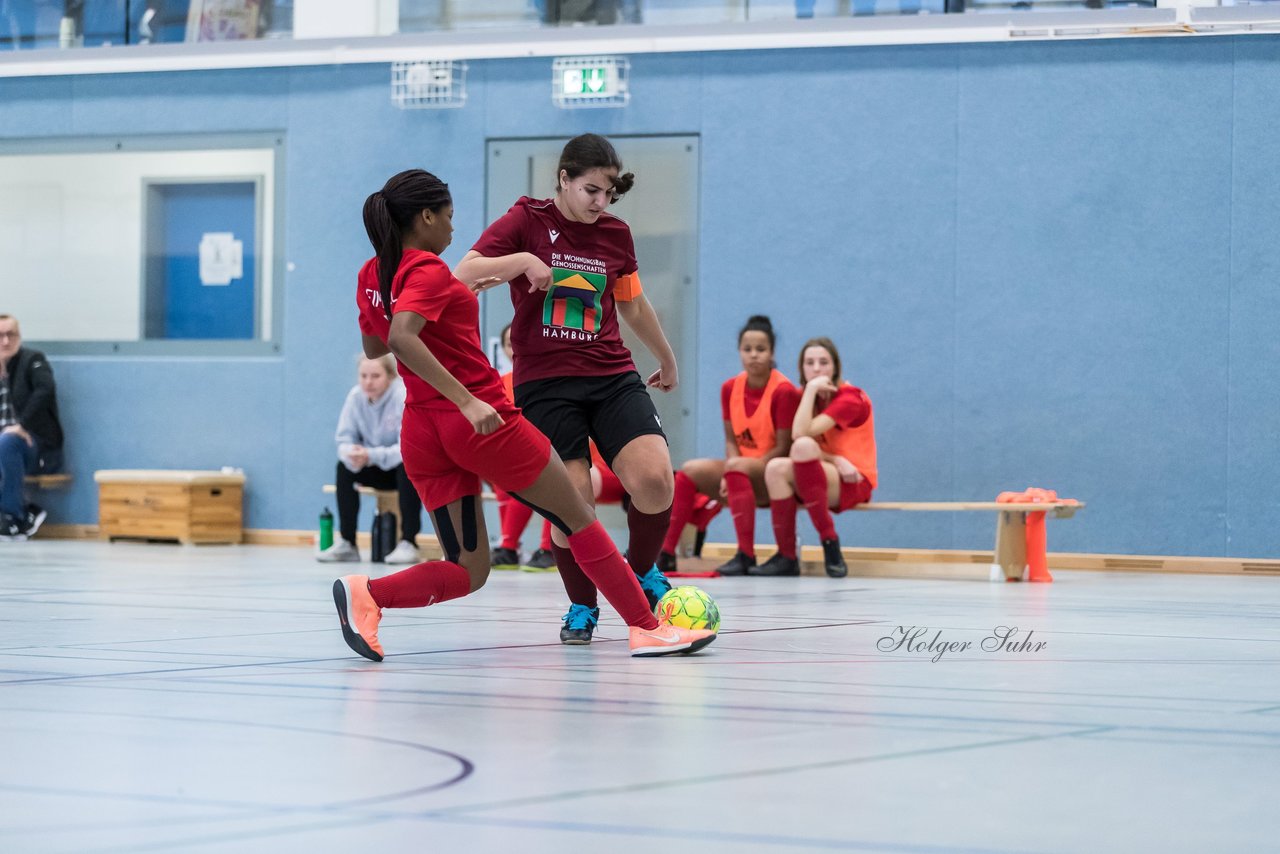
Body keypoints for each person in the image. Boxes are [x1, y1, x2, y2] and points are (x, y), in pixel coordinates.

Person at [332, 168, 715, 662]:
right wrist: (468, 400)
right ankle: (647, 627)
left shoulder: (373, 273)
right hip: (478, 421)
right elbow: (403, 337)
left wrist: (450, 304)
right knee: (579, 517)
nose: (453, 229)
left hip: (422, 431)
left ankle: (368, 595)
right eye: (448, 217)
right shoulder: (426, 270)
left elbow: (375, 341)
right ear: (425, 217)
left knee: (469, 570)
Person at [457, 133, 680, 646]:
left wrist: (666, 358)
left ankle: (641, 572)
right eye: (591, 190)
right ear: (564, 179)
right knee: (573, 498)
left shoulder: (616, 235)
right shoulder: (527, 220)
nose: (600, 203)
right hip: (547, 384)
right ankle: (582, 604)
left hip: (611, 374)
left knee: (654, 478)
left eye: (608, 193)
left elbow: (633, 305)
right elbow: (464, 272)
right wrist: (518, 262)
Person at [655, 315, 799, 577]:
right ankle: (665, 552)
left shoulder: (785, 391)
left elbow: (783, 447)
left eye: (761, 349)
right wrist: (732, 469)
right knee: (689, 470)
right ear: (739, 351)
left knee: (737, 467)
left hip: (772, 473)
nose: (754, 355)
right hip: (740, 469)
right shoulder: (730, 387)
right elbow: (731, 440)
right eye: (747, 349)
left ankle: (746, 554)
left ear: (772, 352)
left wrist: (737, 468)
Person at [758, 337, 876, 578]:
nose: (817, 368)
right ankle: (786, 556)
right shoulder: (805, 397)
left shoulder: (850, 397)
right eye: (809, 363)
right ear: (801, 368)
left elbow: (800, 434)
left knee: (802, 446)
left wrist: (810, 389)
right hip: (818, 473)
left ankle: (829, 541)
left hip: (855, 479)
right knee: (775, 468)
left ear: (835, 367)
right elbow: (797, 441)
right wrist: (835, 459)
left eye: (824, 362)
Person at [317, 353, 423, 565]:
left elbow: (407, 449)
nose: (368, 382)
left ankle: (409, 542)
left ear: (390, 376)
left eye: (375, 376)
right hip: (372, 465)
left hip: (397, 467)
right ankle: (348, 542)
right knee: (344, 468)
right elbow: (343, 439)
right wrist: (352, 454)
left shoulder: (401, 396)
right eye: (363, 375)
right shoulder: (355, 397)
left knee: (408, 466)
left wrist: (371, 455)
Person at [489, 323, 556, 571]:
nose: (514, 349)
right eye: (509, 344)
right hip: (517, 449)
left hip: (552, 447)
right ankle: (509, 546)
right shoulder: (498, 381)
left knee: (539, 475)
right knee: (504, 471)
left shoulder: (547, 378)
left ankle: (549, 549)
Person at [0, 314, 63, 541]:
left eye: (11, 335)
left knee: (6, 442)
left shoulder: (33, 360)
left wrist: (21, 425)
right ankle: (27, 513)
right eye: (0, 336)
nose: (6, 341)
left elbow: (44, 390)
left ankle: (13, 516)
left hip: (34, 445)